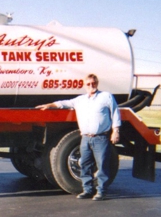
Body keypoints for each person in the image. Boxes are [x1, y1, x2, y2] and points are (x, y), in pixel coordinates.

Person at [36, 73, 121, 201]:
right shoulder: (80, 100)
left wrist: (116, 131)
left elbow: (115, 113)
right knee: (85, 164)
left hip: (100, 138)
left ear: (97, 84)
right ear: (84, 85)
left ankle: (101, 191)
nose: (91, 86)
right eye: (88, 84)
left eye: (93, 83)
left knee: (102, 165)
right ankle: (87, 190)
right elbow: (64, 103)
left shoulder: (106, 97)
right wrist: (50, 105)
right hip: (85, 138)